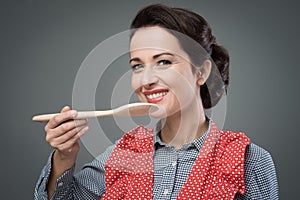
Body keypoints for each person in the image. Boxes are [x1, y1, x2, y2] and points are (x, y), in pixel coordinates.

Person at [34, 4, 279, 200]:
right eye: (137, 66)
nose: (146, 80)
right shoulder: (122, 155)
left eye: (164, 61)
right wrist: (65, 156)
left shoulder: (250, 161)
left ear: (202, 72)